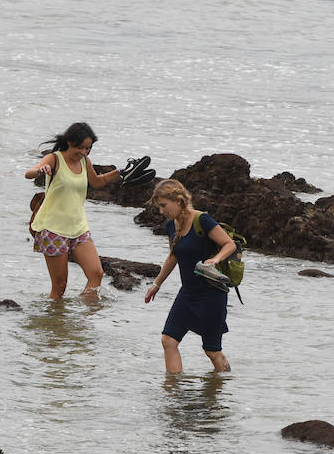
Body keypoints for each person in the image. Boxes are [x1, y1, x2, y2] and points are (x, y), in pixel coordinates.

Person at [143, 179, 236, 373]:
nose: (161, 211)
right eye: (159, 206)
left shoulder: (202, 220)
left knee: (212, 351)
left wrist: (215, 259)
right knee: (168, 340)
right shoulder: (170, 225)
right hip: (187, 294)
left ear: (178, 200)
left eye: (163, 205)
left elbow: (230, 244)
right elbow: (173, 256)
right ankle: (173, 391)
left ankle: (221, 391)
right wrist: (156, 284)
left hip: (212, 295)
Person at [23, 122, 123, 299]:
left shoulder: (85, 161)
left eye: (88, 148)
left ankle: (81, 322)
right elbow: (28, 173)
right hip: (53, 230)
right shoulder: (55, 159)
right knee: (59, 287)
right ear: (69, 142)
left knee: (96, 274)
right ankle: (55, 323)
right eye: (81, 148)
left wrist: (121, 172)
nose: (84, 152)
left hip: (79, 228)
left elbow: (97, 182)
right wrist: (40, 170)